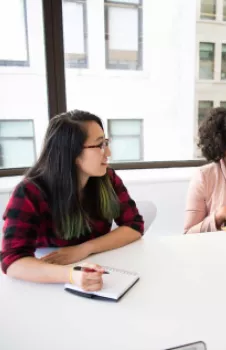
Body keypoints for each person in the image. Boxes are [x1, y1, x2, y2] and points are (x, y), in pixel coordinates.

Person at [1, 110, 144, 291]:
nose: (108, 152)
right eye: (100, 145)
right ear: (72, 153)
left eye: (106, 142)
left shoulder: (107, 178)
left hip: (101, 268)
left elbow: (134, 225)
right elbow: (12, 260)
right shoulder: (30, 192)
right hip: (45, 281)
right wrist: (70, 275)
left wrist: (85, 249)